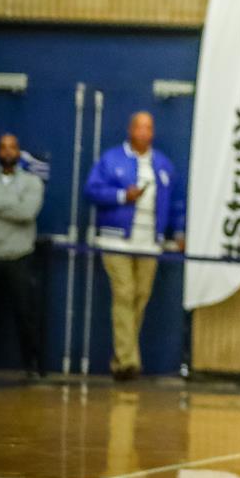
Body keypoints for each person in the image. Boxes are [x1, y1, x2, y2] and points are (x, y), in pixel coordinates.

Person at [85, 111, 185, 381]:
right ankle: (128, 361)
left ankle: (122, 359)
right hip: (116, 239)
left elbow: (175, 202)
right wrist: (121, 195)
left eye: (149, 127)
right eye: (140, 127)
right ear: (130, 130)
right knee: (124, 293)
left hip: (149, 242)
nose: (144, 132)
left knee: (140, 296)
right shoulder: (111, 158)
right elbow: (91, 190)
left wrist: (178, 231)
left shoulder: (162, 164)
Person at [0, 133, 46, 377]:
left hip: (19, 255)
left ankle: (32, 367)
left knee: (25, 315)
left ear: (19, 152)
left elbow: (27, 213)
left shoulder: (32, 182)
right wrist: (13, 203)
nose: (7, 151)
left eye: (12, 147)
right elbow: (18, 208)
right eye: (3, 147)